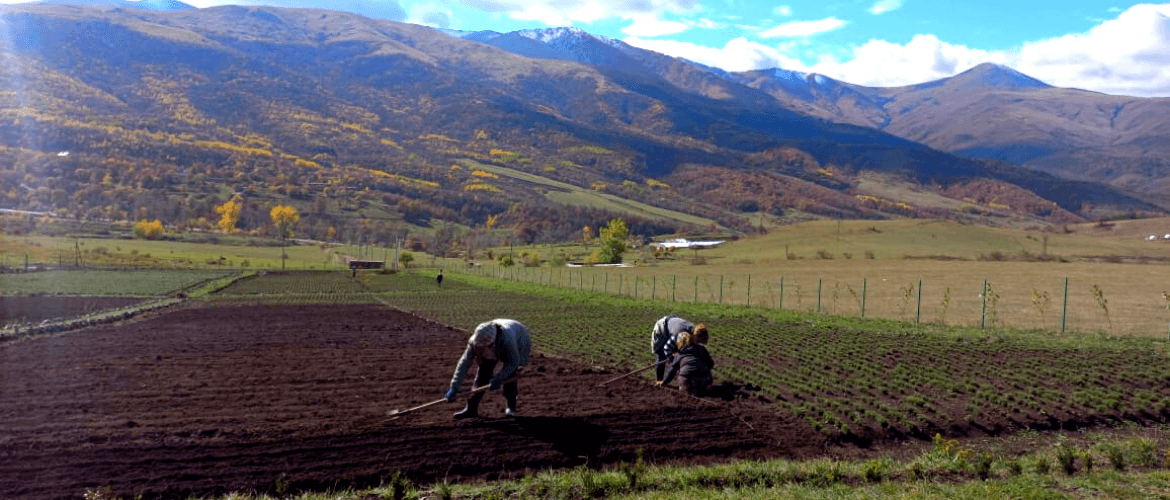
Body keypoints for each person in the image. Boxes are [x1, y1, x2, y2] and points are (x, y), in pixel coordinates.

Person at [445, 319, 531, 419]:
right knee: (483, 373)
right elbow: (464, 364)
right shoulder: (474, 342)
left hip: (520, 339)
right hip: (498, 341)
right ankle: (471, 408)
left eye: (485, 346)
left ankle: (511, 407)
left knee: (510, 375)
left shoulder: (507, 340)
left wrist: (499, 378)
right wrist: (454, 387)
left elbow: (512, 363)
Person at [658, 324, 714, 396]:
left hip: (686, 379)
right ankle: (703, 388)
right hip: (703, 378)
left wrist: (664, 382)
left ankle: (687, 389)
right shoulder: (701, 349)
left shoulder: (679, 354)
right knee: (704, 385)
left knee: (686, 387)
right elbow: (711, 364)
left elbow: (672, 371)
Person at [650, 315, 695, 382]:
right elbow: (666, 349)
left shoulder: (694, 334)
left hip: (674, 327)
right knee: (661, 355)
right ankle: (659, 381)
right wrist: (671, 357)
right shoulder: (676, 337)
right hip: (662, 327)